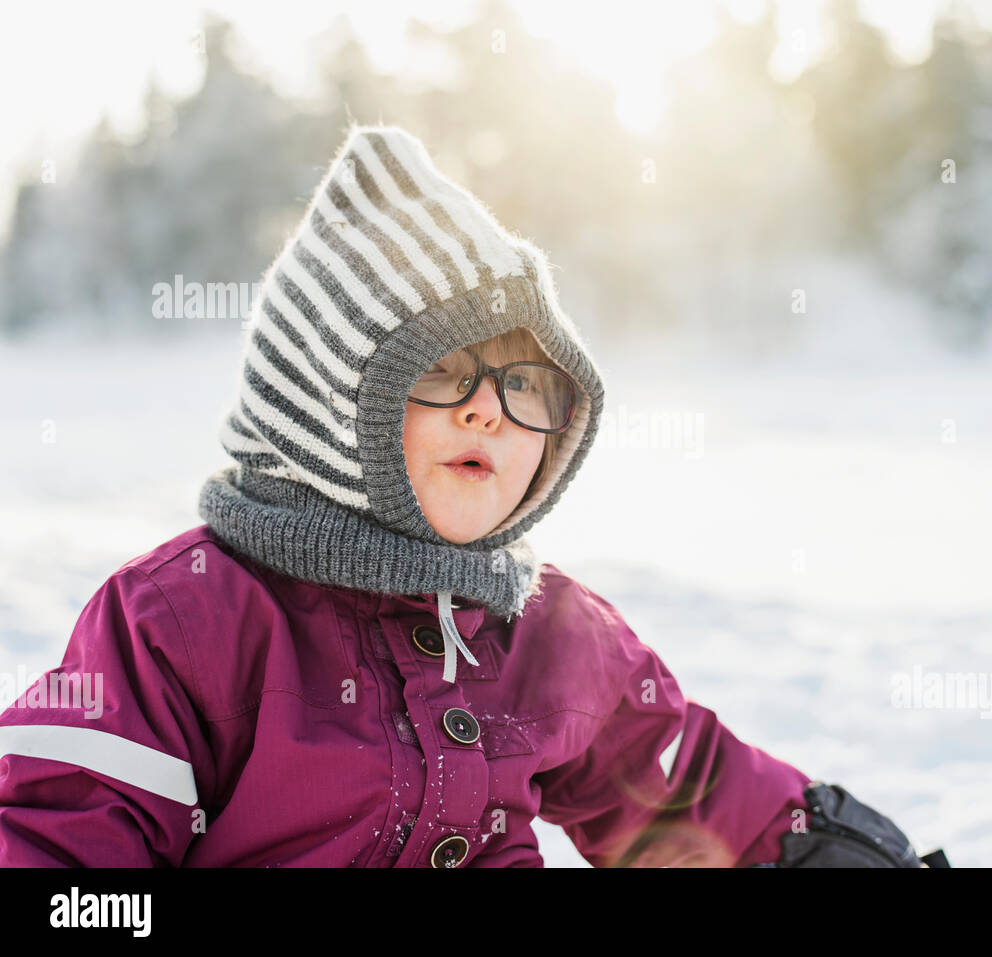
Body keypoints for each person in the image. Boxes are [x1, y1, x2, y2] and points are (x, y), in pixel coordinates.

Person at [0, 124, 934, 868]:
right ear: (331, 402)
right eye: (447, 372)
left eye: (527, 386)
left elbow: (669, 780)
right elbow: (59, 828)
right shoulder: (188, 616)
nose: (492, 412)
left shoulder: (544, 626)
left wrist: (799, 847)